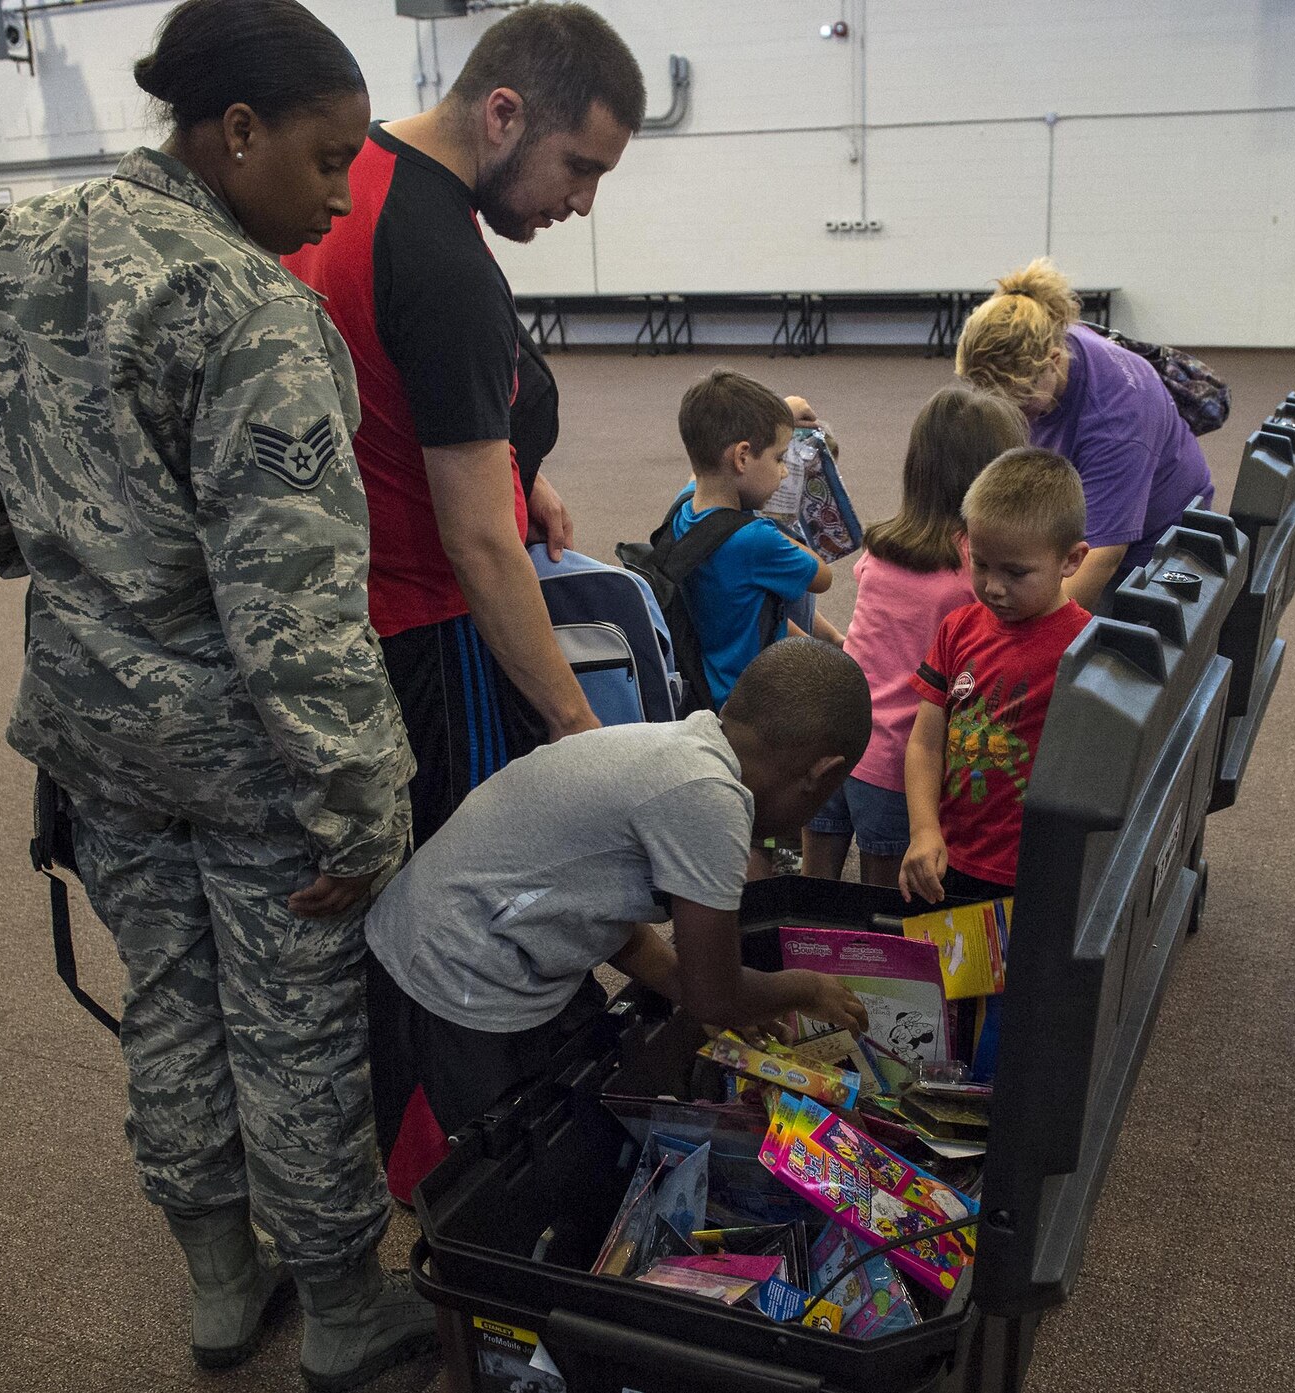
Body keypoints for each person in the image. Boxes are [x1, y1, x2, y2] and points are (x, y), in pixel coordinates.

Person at [0, 1, 434, 1384]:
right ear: (234, 131)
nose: (334, 195)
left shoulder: (5, 249)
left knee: (172, 1004)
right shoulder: (252, 310)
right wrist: (363, 816)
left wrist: (75, 564)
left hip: (94, 734)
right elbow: (297, 615)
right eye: (324, 159)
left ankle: (215, 1280)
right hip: (252, 754)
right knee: (297, 1028)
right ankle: (346, 1310)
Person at [284, 2, 647, 851]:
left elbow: (389, 377)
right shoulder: (444, 265)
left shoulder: (359, 171)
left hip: (345, 601)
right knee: (474, 890)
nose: (584, 203)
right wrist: (570, 717)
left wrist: (515, 466)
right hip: (427, 633)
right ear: (503, 113)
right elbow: (481, 542)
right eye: (579, 167)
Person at [366, 638, 872, 1143]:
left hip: (479, 928)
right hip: (450, 968)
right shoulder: (709, 799)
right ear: (821, 774)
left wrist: (732, 1002)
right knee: (489, 1160)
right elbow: (712, 994)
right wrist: (806, 988)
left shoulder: (686, 747)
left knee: (580, 1099)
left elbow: (614, 918)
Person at [803, 386, 1028, 888]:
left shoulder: (883, 548)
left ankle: (800, 961)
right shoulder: (975, 572)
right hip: (898, 762)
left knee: (812, 892)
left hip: (835, 736)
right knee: (887, 910)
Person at [955, 258, 1213, 609]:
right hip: (1075, 506)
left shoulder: (1117, 419)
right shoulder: (1048, 329)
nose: (1011, 415)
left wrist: (1027, 640)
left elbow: (1102, 555)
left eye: (1020, 404)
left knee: (1061, 644)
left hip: (1154, 548)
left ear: (1053, 359)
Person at [900, 447, 1093, 905]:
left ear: (1071, 560)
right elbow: (926, 742)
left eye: (1016, 572)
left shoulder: (1088, 649)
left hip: (1034, 873)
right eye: (981, 563)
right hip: (950, 857)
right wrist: (924, 830)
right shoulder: (958, 627)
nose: (993, 586)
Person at [668, 368, 831, 708]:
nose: (784, 470)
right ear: (742, 457)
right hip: (755, 701)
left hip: (704, 690)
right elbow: (822, 577)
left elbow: (700, 471)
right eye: (778, 457)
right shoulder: (756, 539)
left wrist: (778, 415)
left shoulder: (683, 508)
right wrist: (778, 524)